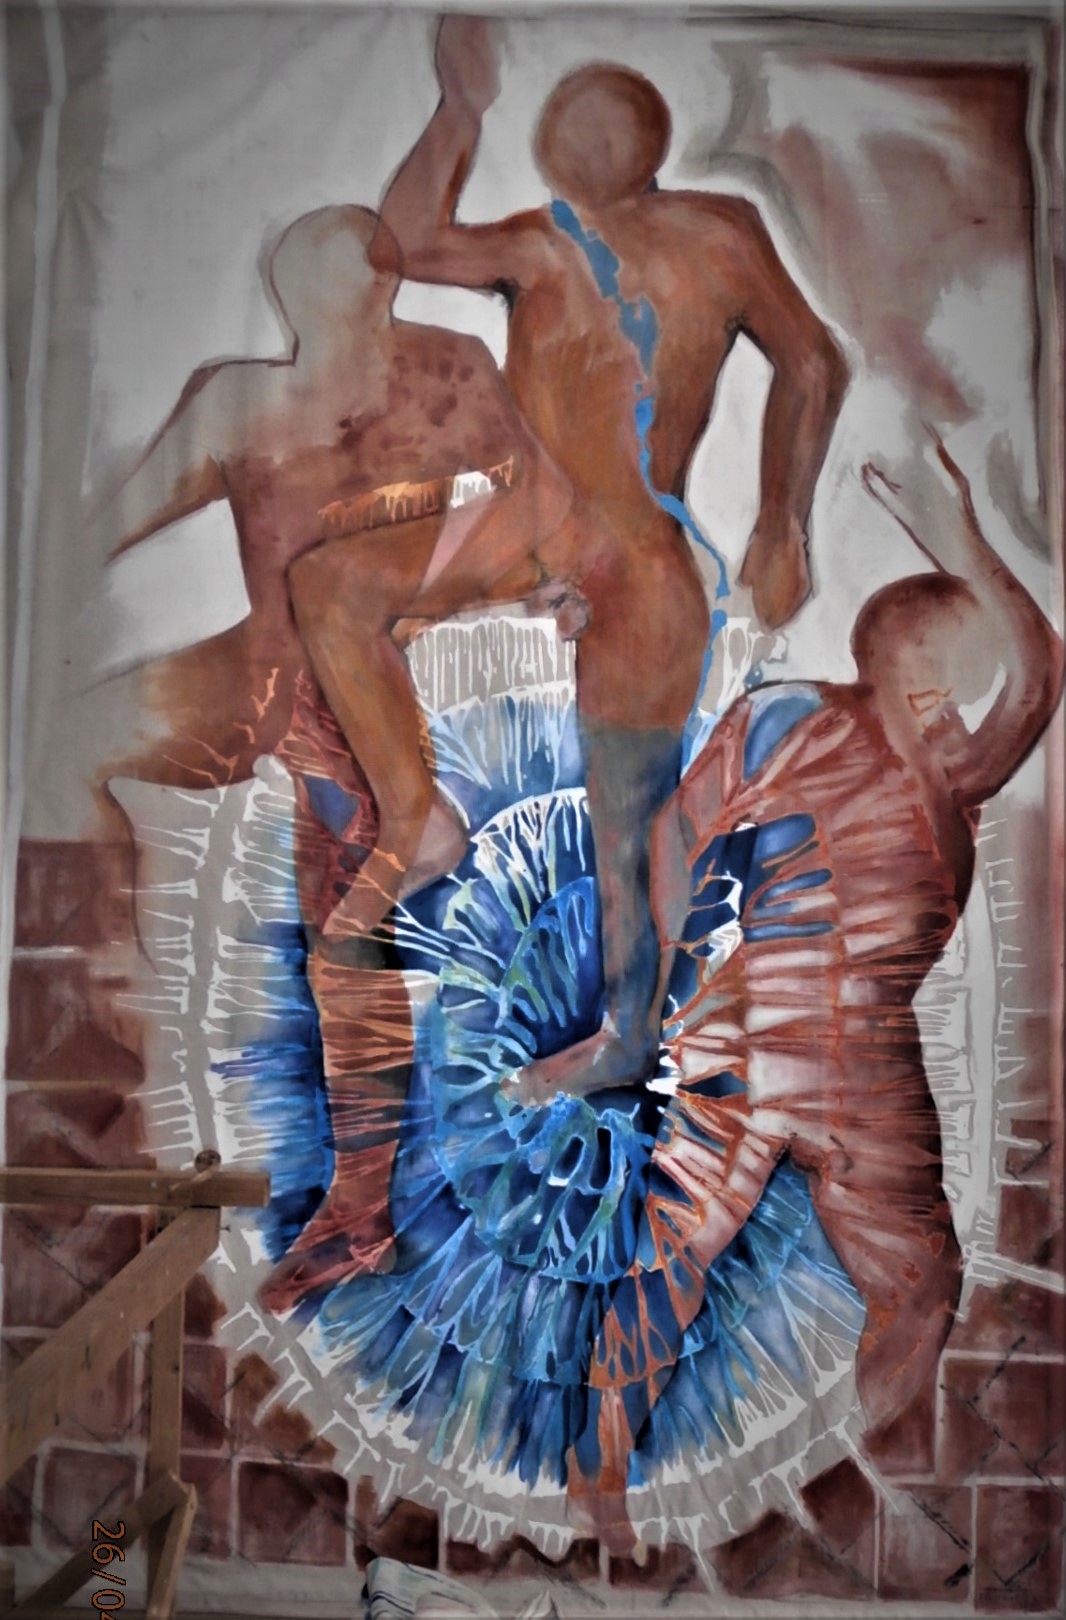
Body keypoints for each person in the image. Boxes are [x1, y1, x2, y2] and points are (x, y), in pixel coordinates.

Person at [554, 438, 1064, 1555]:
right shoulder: (933, 763)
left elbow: (676, 836)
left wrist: (672, 987)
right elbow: (1041, 674)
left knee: (692, 1255)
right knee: (907, 1279)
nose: (958, 701)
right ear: (923, 672)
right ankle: (816, 1475)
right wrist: (963, 536)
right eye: (953, 676)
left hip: (762, 1026)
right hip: (838, 1045)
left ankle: (614, 1474)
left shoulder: (799, 726)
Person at [353, 15, 847, 1100]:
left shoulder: (649, 238)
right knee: (338, 596)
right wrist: (460, 109)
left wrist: (784, 521)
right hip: (560, 542)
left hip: (609, 546)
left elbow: (814, 363)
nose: (574, 147)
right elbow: (396, 247)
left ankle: (628, 1030)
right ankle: (425, 838)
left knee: (635, 806)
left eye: (584, 129)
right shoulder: (577, 240)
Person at [90, 202, 572, 1296]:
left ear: (384, 290)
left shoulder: (448, 374)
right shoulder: (238, 399)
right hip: (261, 670)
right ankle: (121, 990)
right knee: (78, 741)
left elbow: (536, 503)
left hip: (362, 694)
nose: (320, 314)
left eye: (345, 290)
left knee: (345, 938)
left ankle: (360, 1213)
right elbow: (104, 523)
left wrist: (522, 588)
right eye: (300, 293)